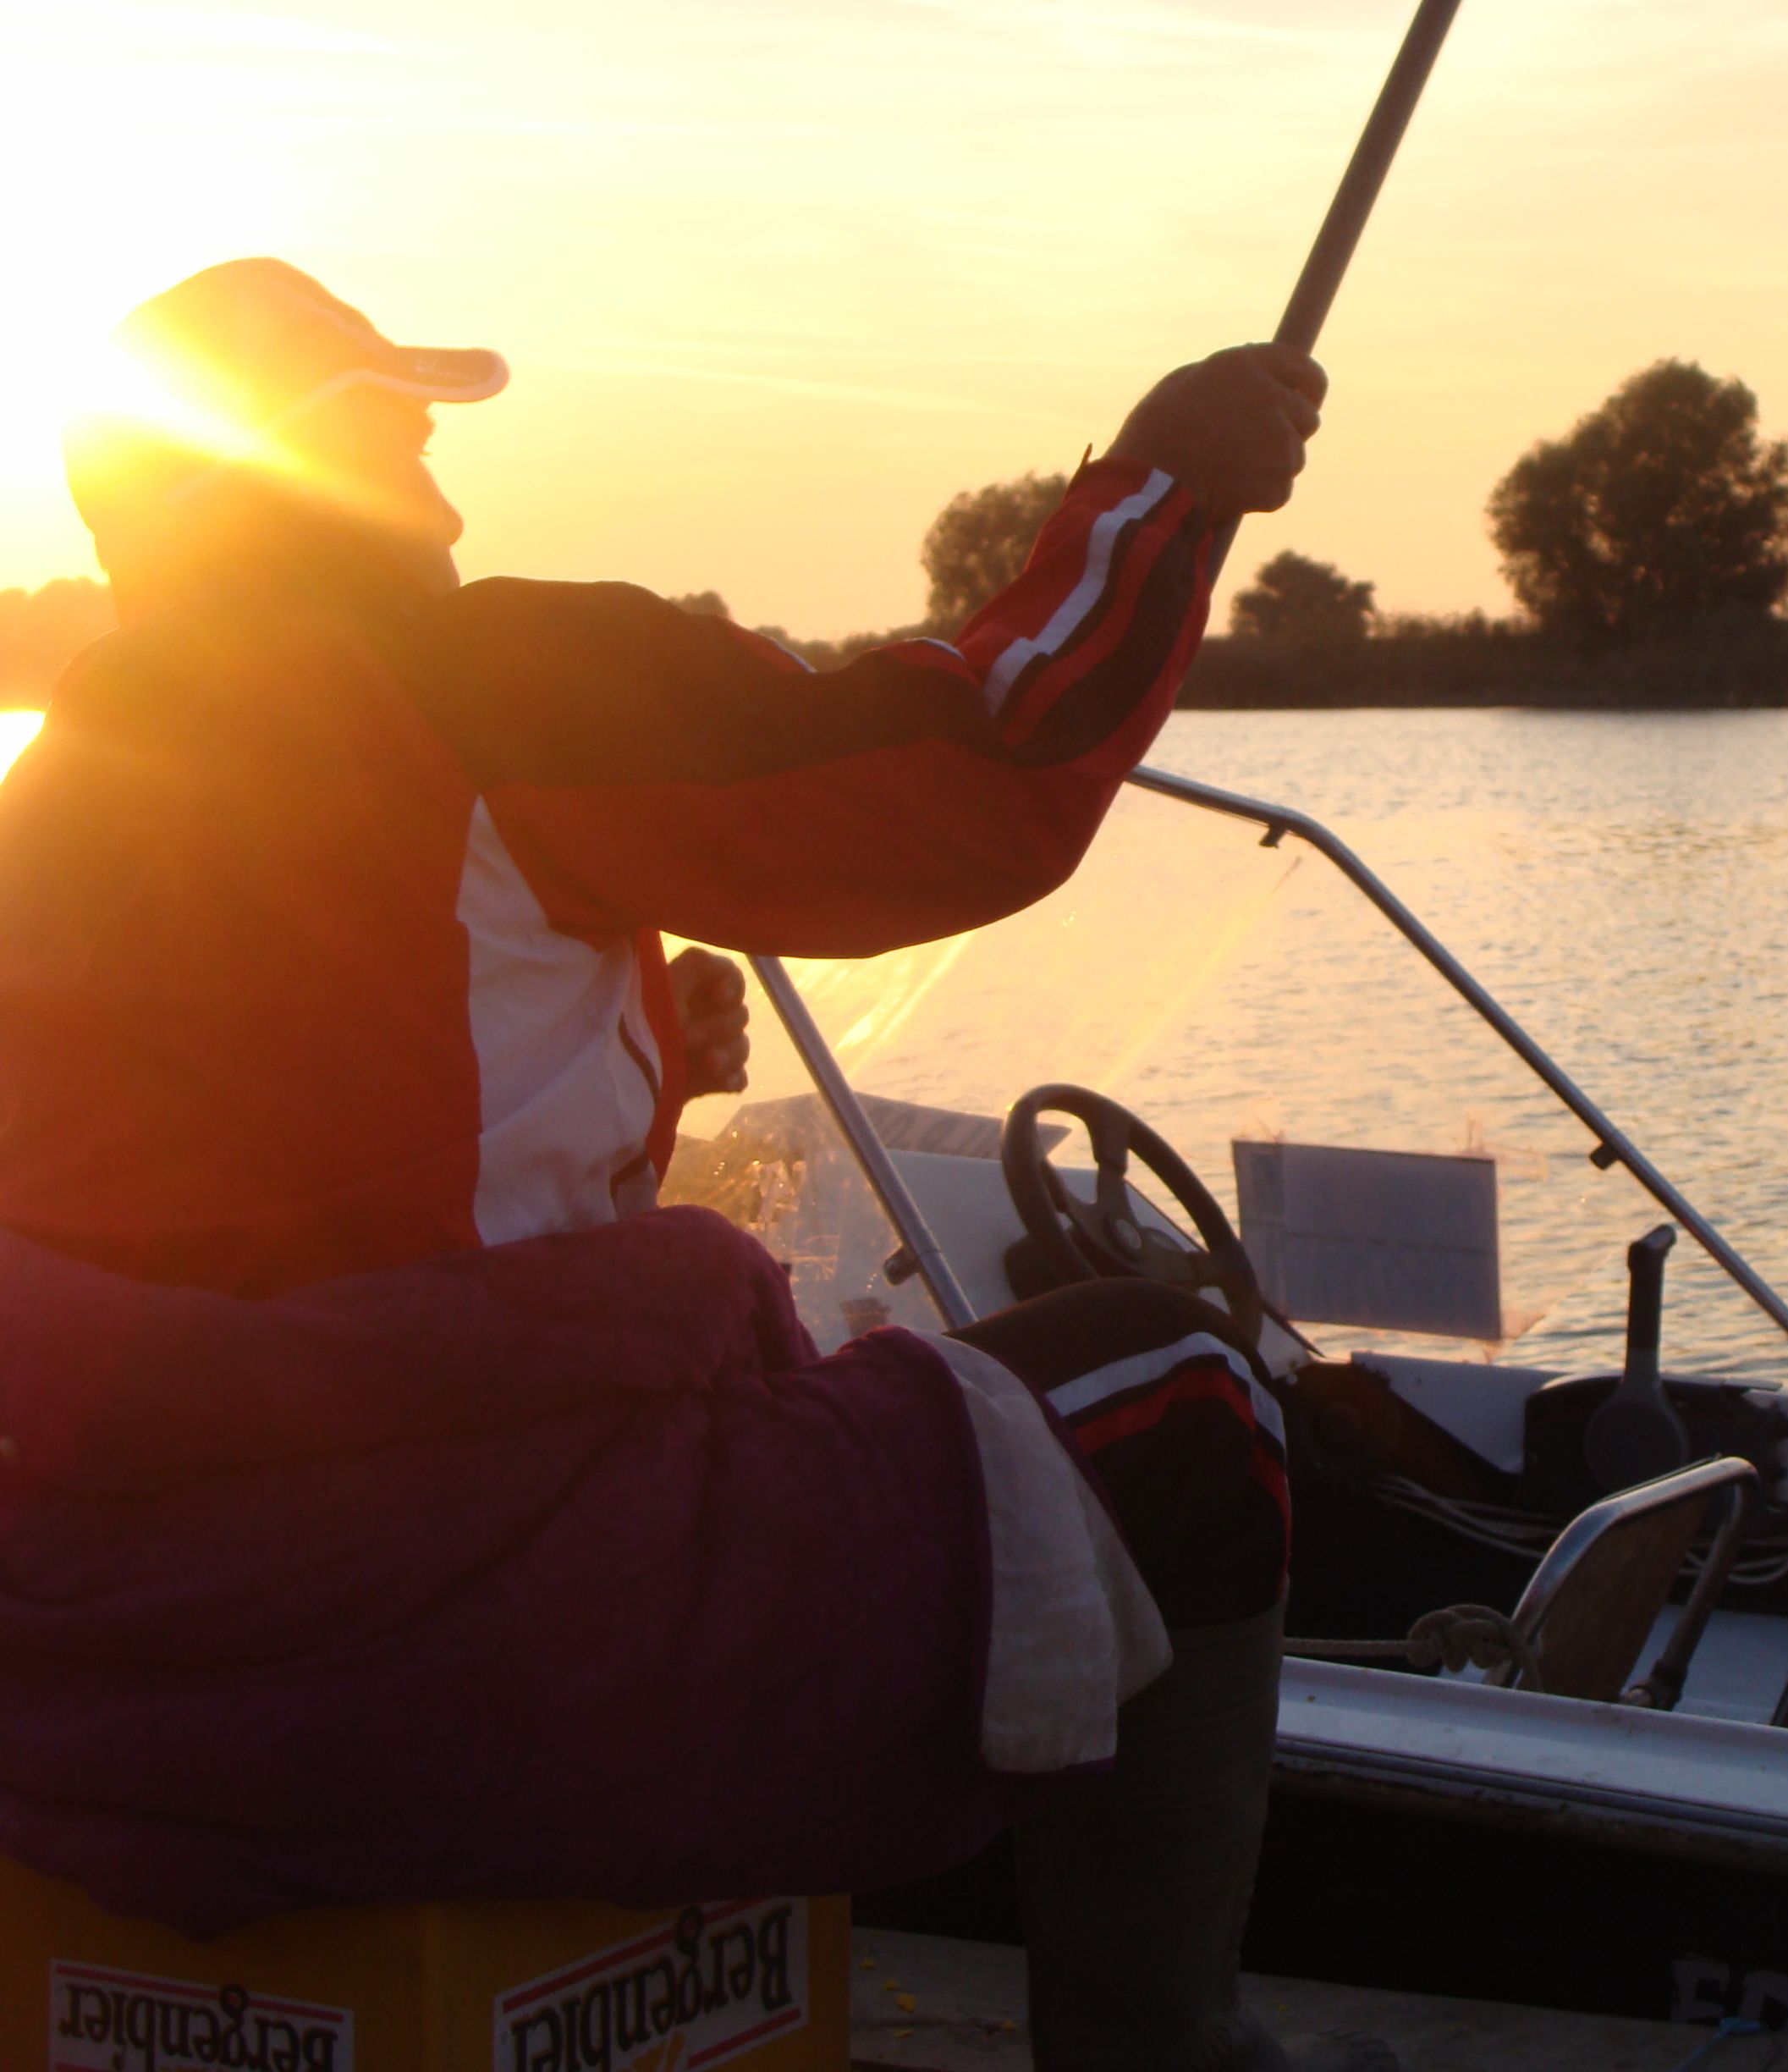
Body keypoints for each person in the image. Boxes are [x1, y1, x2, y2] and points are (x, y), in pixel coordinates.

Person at [0, 259, 1379, 2072]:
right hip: (440, 1624)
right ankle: (1169, 2050)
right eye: (404, 448)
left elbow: (291, 1128)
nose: (446, 504)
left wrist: (639, 1023)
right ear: (307, 476)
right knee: (1186, 1398)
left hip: (106, 1649)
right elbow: (982, 762)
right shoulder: (484, 679)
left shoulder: (64, 786)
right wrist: (1164, 487)